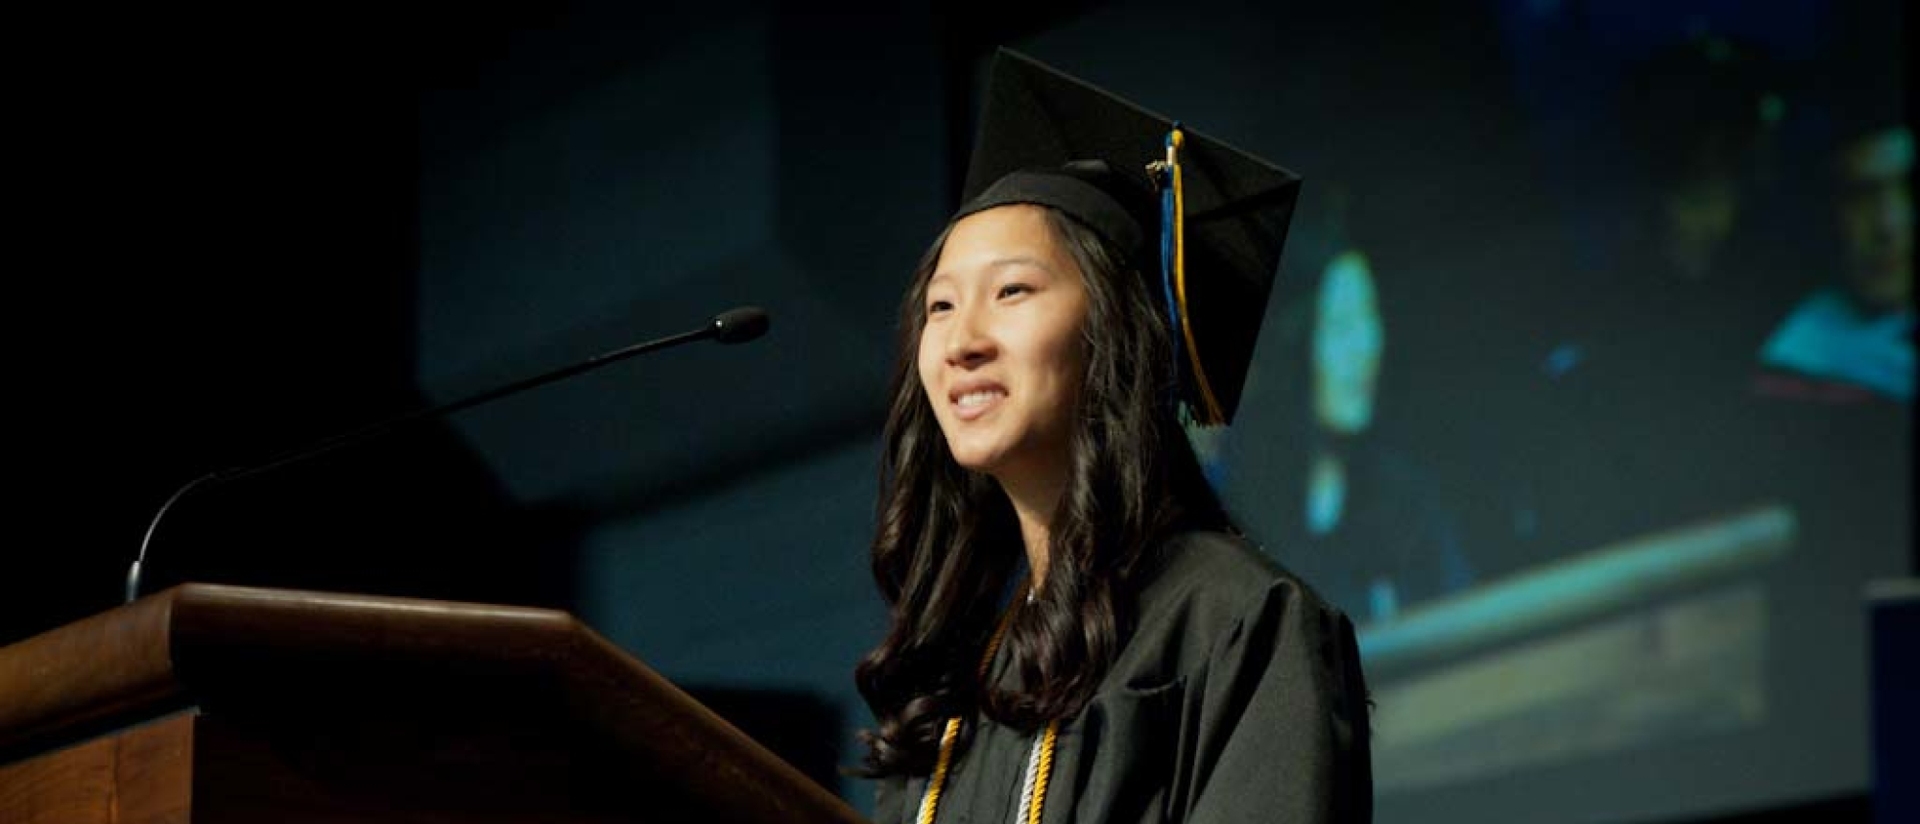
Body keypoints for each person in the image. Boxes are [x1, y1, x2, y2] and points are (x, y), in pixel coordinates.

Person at [853, 50, 1372, 823]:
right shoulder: (957, 686)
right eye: (940, 307)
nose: (963, 340)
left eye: (1012, 291)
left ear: (1112, 332)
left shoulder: (1237, 622)